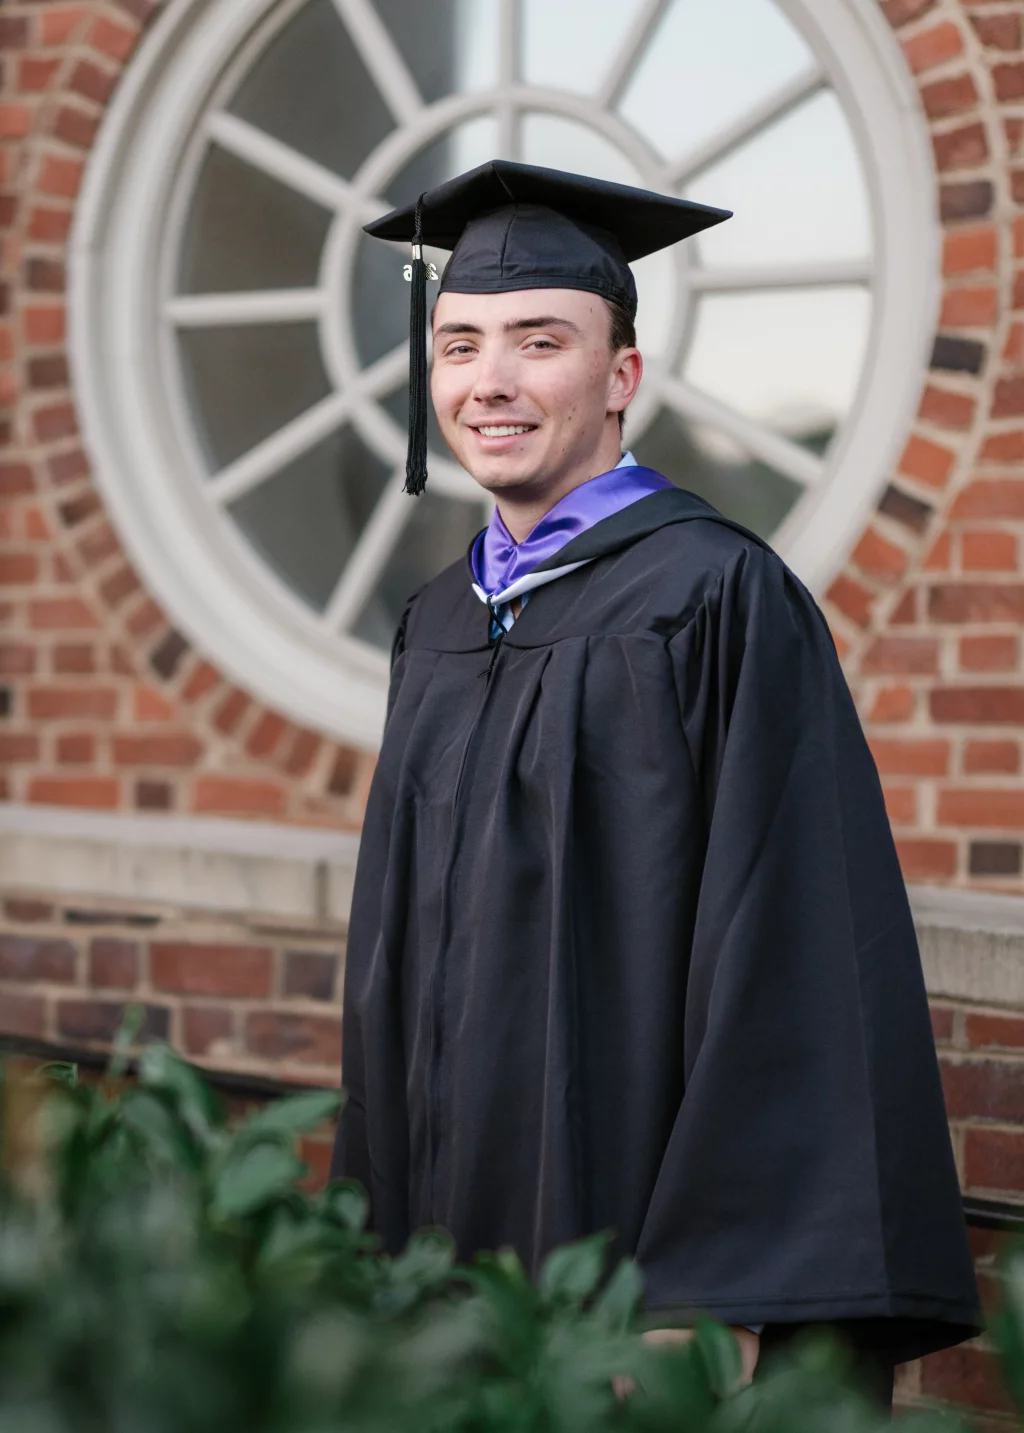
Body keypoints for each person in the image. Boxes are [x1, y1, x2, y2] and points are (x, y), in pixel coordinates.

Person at [330, 160, 981, 1402]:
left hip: (640, 1266)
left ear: (620, 376)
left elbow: (792, 951)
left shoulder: (714, 597)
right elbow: (396, 959)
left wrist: (706, 1295)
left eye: (539, 340)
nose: (491, 381)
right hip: (446, 1241)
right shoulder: (438, 619)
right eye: (459, 344)